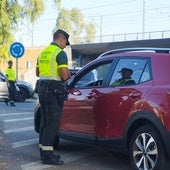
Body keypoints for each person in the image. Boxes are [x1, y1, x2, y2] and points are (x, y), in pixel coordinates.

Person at [36, 28, 71, 165]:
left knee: (44, 121)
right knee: (52, 123)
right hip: (54, 90)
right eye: (65, 43)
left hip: (42, 88)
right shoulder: (60, 53)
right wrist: (68, 75)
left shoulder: (43, 52)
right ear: (61, 39)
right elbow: (63, 75)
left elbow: (38, 72)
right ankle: (48, 155)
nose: (65, 46)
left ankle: (43, 152)